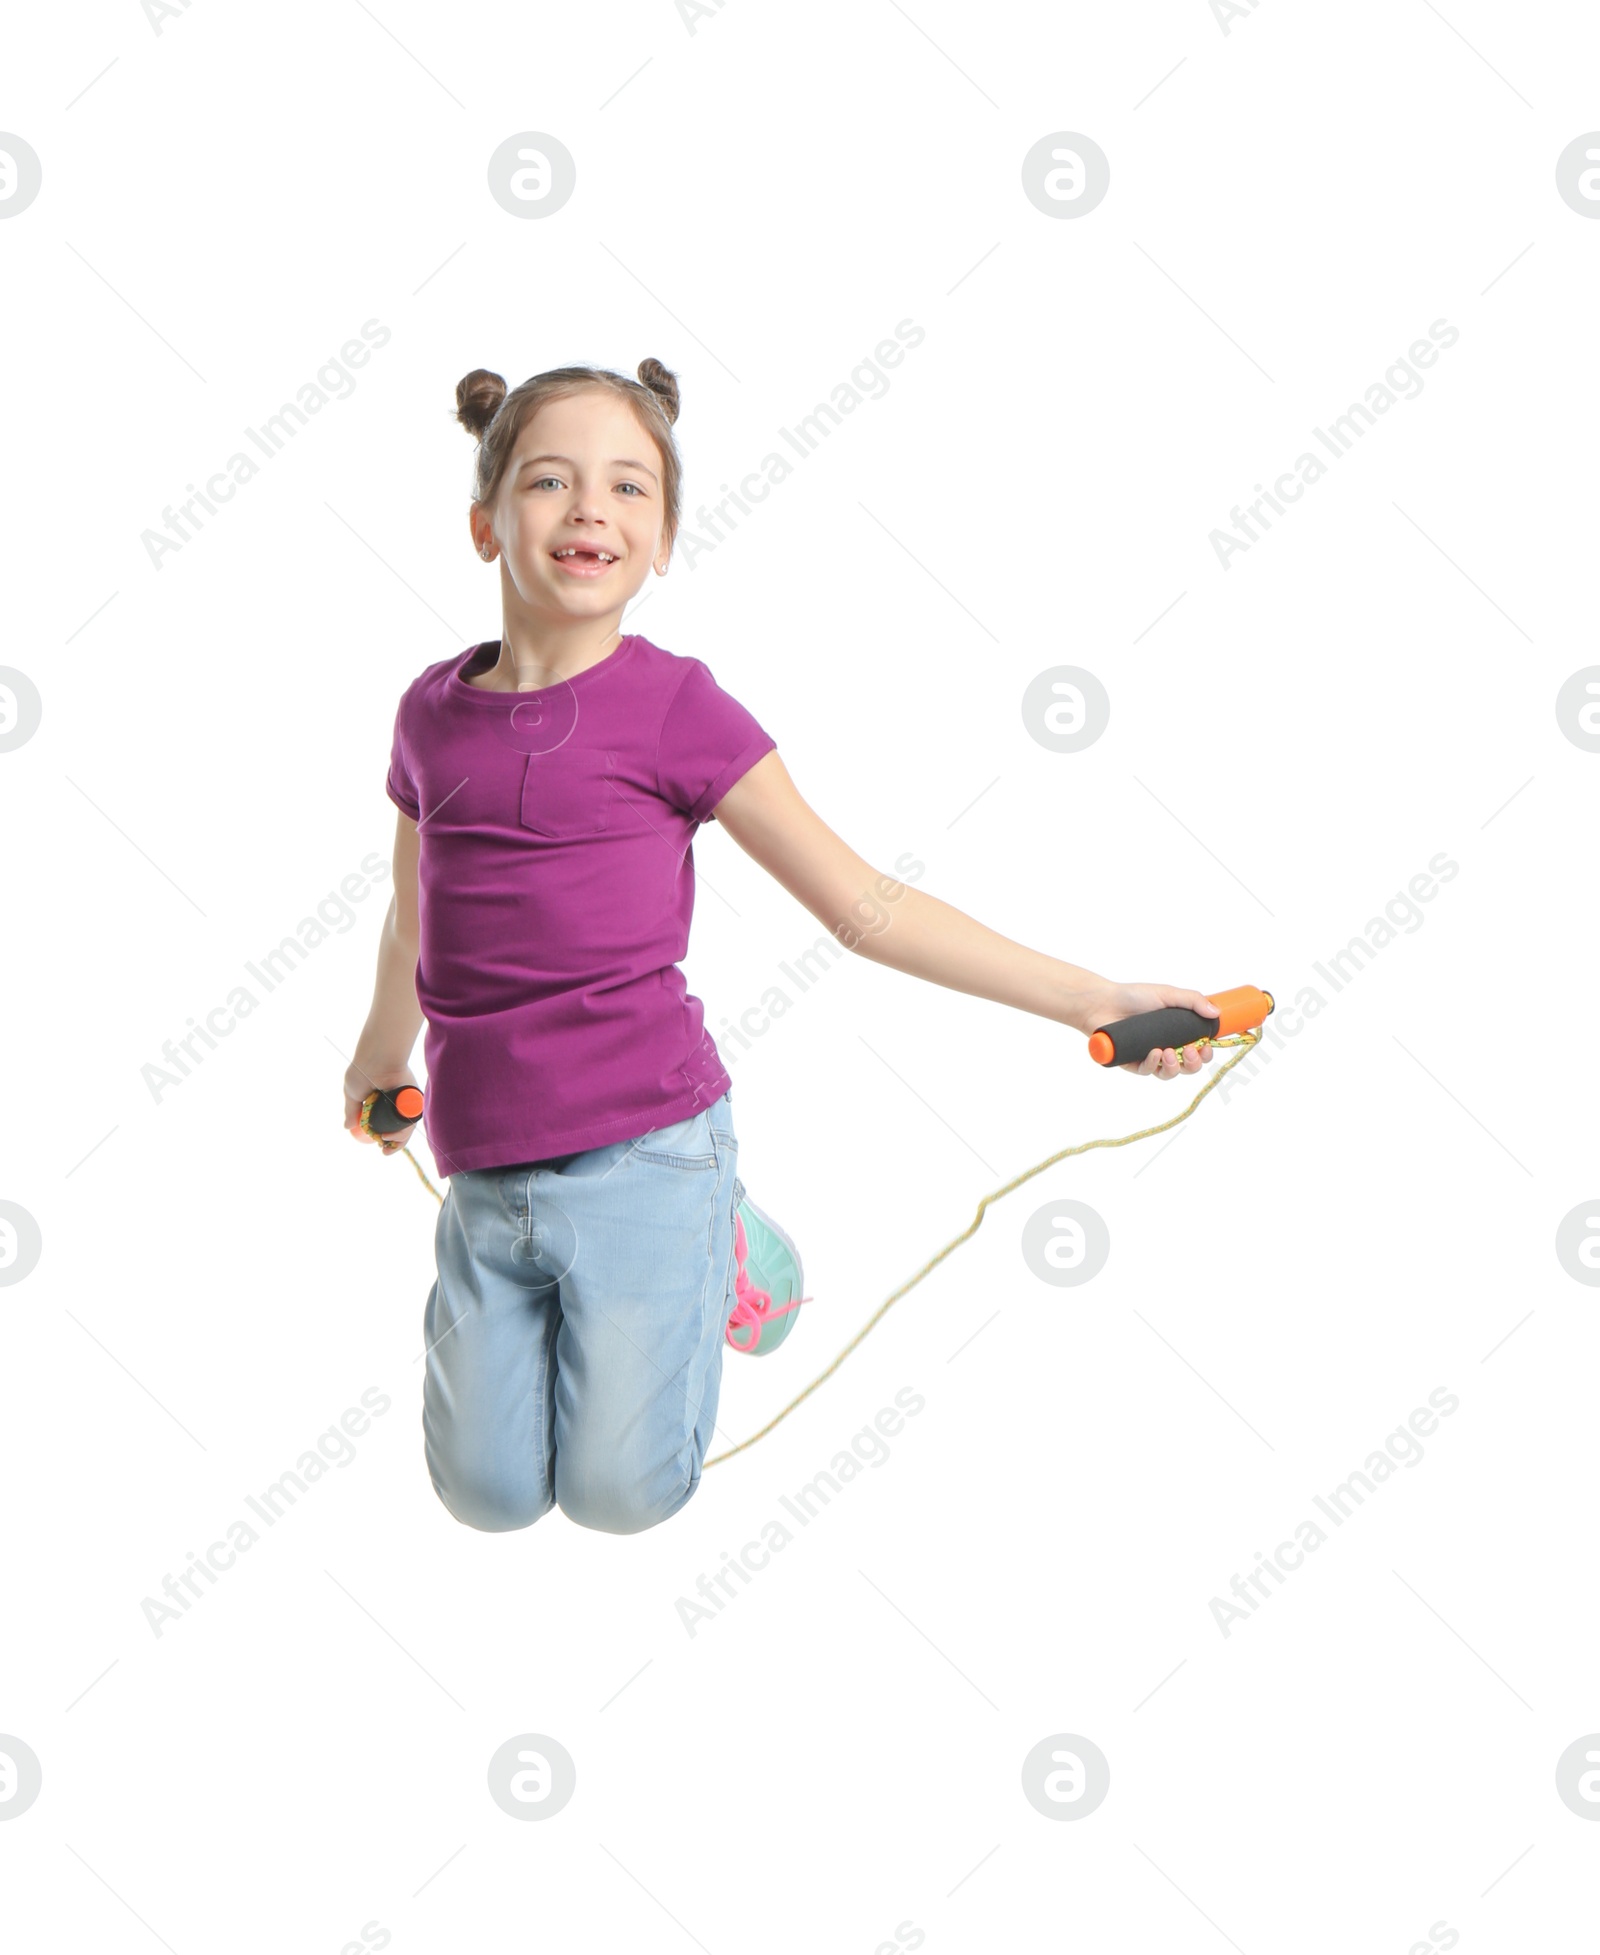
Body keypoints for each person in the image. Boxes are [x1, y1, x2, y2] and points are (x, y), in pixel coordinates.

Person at [343, 355, 1219, 1539]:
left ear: (662, 539)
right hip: (483, 1165)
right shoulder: (427, 714)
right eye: (550, 480)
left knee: (621, 1498)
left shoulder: (677, 708)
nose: (591, 507)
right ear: (484, 526)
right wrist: (376, 1055)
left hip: (647, 1150)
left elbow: (863, 905)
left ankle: (723, 1234)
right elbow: (415, 906)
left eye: (630, 488)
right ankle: (603, 1315)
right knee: (487, 1497)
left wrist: (1091, 997)